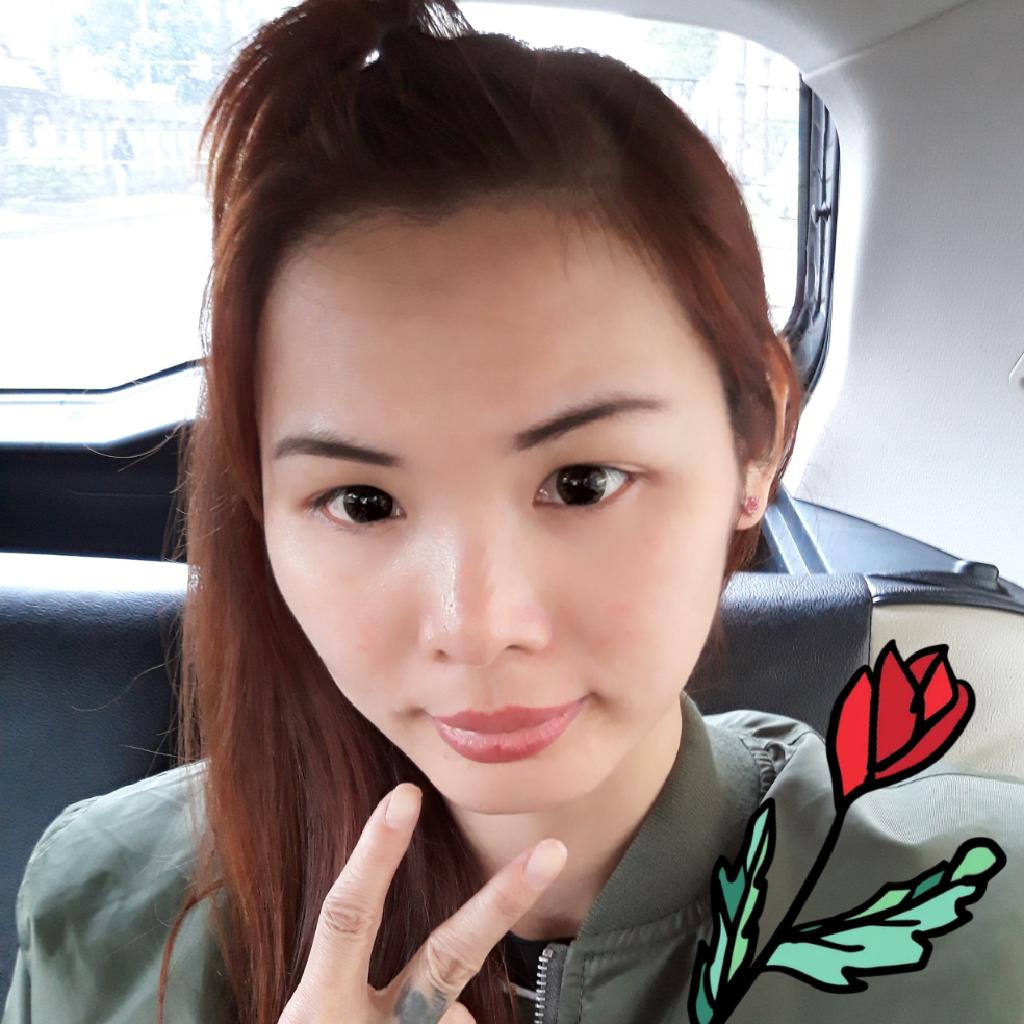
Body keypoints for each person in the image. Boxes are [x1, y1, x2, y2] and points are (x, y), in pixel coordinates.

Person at [3, 1, 1022, 1023]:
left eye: (581, 483)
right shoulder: (109, 914)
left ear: (755, 441)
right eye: (362, 502)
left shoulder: (985, 922)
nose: (476, 625)